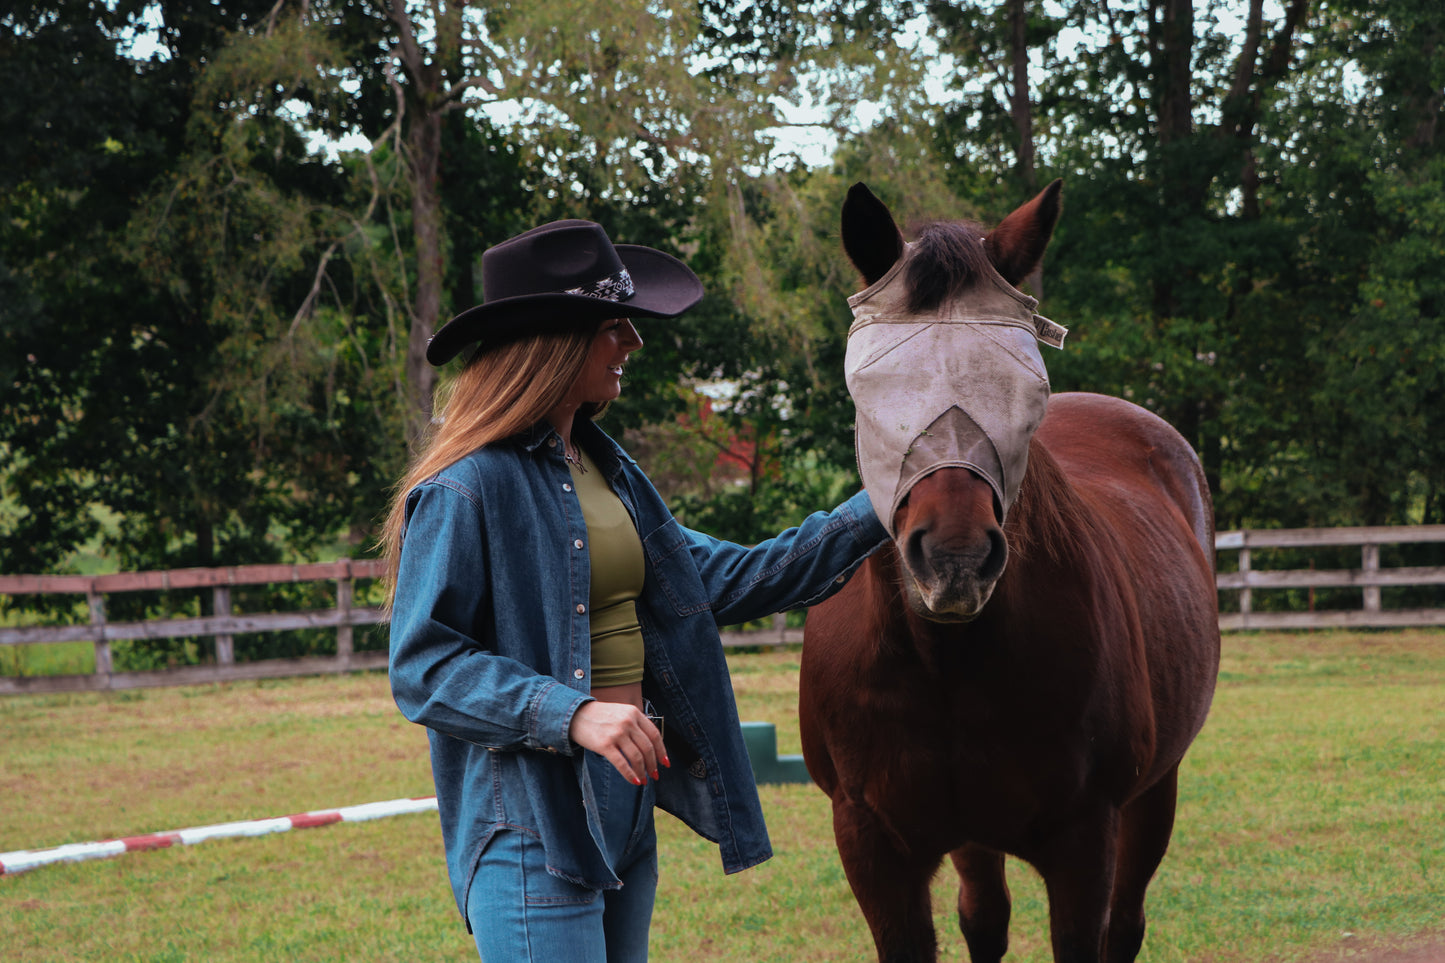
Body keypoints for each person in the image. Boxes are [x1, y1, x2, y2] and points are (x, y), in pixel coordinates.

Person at [381, 218, 888, 962]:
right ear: (557, 338)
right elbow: (422, 666)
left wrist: (895, 490)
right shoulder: (464, 488)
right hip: (532, 824)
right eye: (614, 324)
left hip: (621, 802)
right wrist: (573, 712)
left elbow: (728, 577)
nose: (633, 342)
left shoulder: (602, 470)